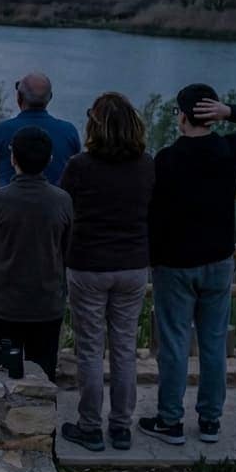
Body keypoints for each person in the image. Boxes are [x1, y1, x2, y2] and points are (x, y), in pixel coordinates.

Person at [140, 85, 236, 446]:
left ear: (181, 117)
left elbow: (153, 212)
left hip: (175, 263)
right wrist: (230, 112)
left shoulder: (165, 159)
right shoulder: (228, 151)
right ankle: (210, 420)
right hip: (218, 259)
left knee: (175, 343)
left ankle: (170, 420)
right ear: (212, 114)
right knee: (213, 344)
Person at [59, 93, 155, 452]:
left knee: (89, 350)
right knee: (124, 348)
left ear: (94, 125)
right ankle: (120, 427)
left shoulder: (80, 166)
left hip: (88, 264)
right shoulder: (147, 165)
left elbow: (64, 209)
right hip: (132, 265)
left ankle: (89, 426)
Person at [0, 126, 73, 381]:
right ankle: (45, 421)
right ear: (49, 159)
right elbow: (67, 250)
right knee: (44, 375)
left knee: (2, 378)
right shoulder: (62, 200)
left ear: (12, 158)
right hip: (47, 305)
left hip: (4, 305)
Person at [0, 72, 81, 197]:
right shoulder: (69, 132)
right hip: (54, 212)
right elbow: (77, 179)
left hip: (9, 211)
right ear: (50, 98)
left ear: (19, 98)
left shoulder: (0, 131)